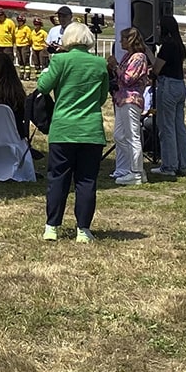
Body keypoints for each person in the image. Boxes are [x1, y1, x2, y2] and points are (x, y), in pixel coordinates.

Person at [35, 22, 109, 242]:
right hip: (90, 130)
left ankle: (52, 226)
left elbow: (42, 87)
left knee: (58, 178)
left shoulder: (60, 60)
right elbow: (102, 97)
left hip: (63, 128)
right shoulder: (100, 63)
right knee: (86, 180)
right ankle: (83, 229)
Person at [111, 28, 152, 186]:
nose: (120, 42)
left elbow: (128, 79)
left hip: (131, 99)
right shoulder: (127, 56)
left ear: (130, 40)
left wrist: (115, 67)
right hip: (121, 99)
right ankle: (132, 167)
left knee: (132, 136)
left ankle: (136, 172)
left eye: (123, 39)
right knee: (119, 135)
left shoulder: (139, 57)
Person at [151, 28, 186, 177]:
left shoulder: (167, 46)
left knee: (166, 126)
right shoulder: (179, 46)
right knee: (179, 126)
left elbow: (156, 69)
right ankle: (184, 164)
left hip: (168, 85)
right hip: (180, 85)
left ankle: (169, 165)